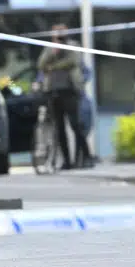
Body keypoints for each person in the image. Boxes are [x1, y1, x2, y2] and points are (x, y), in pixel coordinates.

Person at [37, 24, 84, 170]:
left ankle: (82, 157)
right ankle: (67, 161)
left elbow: (72, 61)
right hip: (53, 91)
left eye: (61, 34)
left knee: (75, 125)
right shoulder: (49, 48)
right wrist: (52, 51)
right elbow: (41, 64)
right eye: (57, 34)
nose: (59, 37)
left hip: (69, 90)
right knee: (60, 128)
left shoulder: (72, 46)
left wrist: (53, 66)